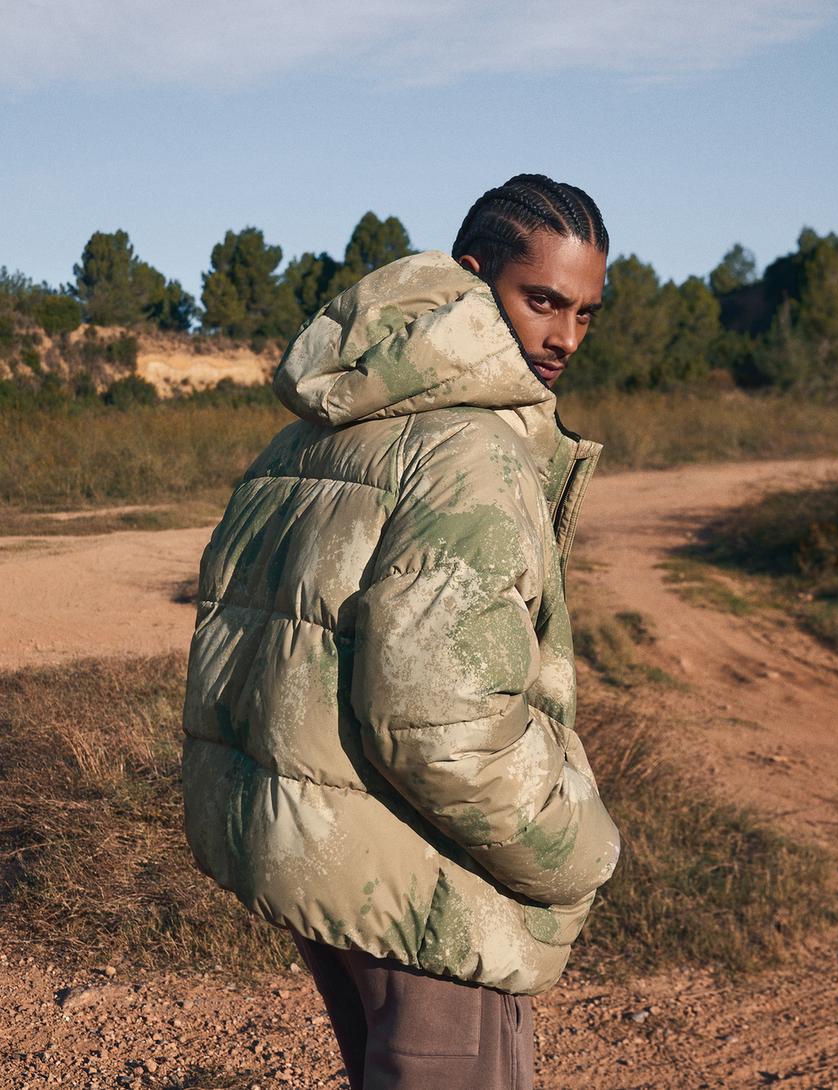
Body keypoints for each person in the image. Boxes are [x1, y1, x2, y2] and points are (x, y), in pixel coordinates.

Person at [181, 173, 620, 1090]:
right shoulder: (473, 450)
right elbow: (436, 721)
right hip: (422, 879)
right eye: (542, 300)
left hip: (328, 857)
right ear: (472, 273)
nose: (565, 337)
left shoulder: (326, 420)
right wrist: (577, 846)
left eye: (585, 312)